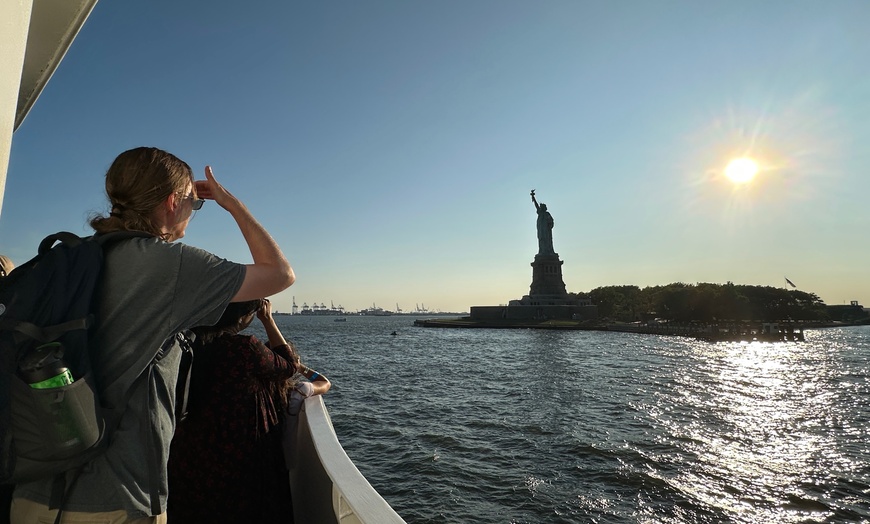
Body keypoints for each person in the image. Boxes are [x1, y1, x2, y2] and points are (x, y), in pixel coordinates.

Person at [11, 146, 295, 523]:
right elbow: (279, 274)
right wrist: (232, 204)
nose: (192, 216)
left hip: (31, 491)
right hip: (115, 499)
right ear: (172, 202)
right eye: (194, 207)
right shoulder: (169, 266)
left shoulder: (66, 258)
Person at [167, 298, 301, 523]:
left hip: (193, 442)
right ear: (242, 317)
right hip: (238, 447)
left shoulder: (189, 343)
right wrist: (267, 320)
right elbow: (288, 366)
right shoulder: (245, 347)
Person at [530, 189, 555, 255]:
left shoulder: (547, 214)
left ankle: (549, 252)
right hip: (541, 230)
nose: (541, 208)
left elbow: (551, 222)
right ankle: (542, 251)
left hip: (546, 231)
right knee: (541, 240)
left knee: (547, 241)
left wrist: (550, 225)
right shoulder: (540, 213)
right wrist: (533, 197)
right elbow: (536, 205)